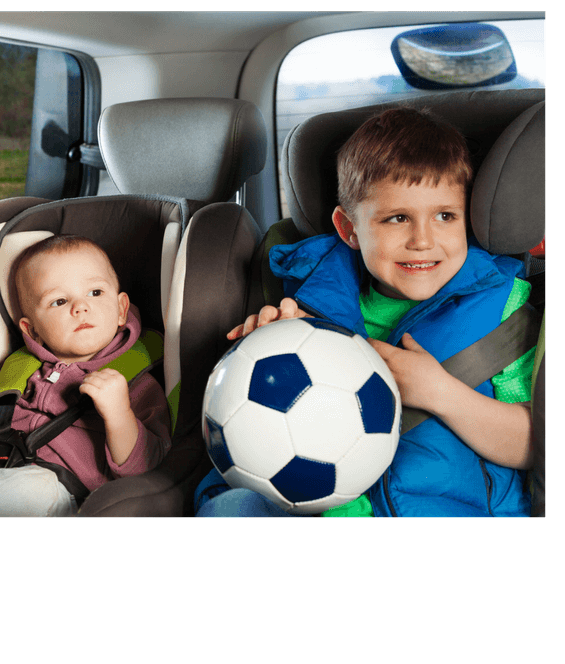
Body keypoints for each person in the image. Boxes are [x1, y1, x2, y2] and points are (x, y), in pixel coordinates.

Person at [196, 107, 536, 518]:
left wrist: (439, 393)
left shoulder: (500, 309)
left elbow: (533, 443)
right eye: (397, 218)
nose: (423, 241)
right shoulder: (307, 307)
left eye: (445, 216)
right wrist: (265, 350)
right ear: (349, 230)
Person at [0, 235, 171, 517]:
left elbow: (146, 468)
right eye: (59, 301)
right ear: (32, 329)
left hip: (59, 494)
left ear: (122, 309)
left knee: (25, 486)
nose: (80, 306)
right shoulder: (15, 373)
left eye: (95, 293)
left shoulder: (135, 383)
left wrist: (119, 414)